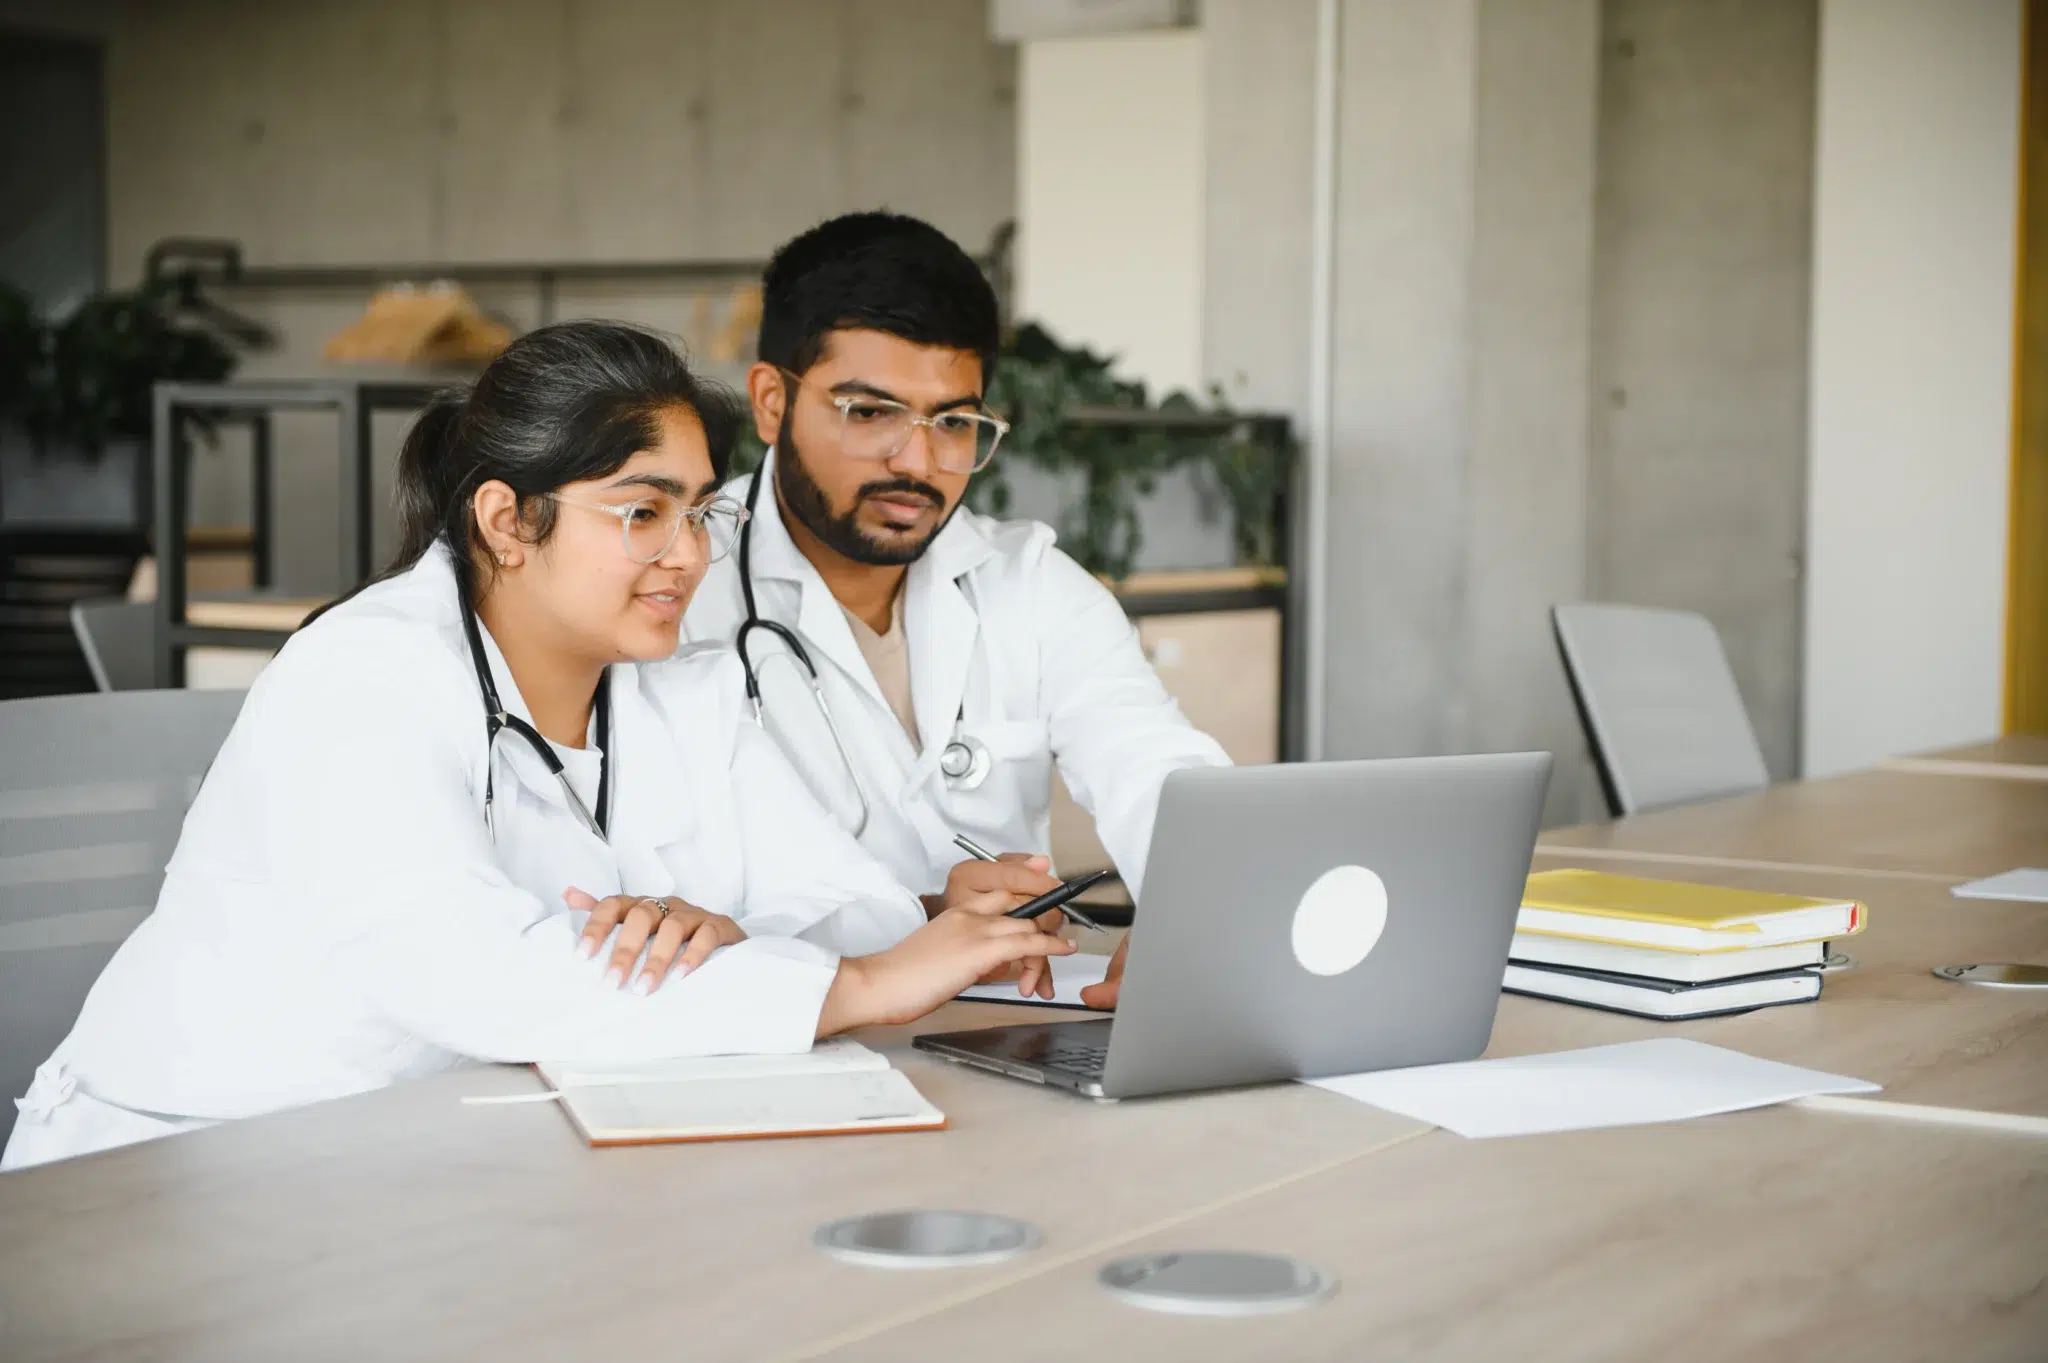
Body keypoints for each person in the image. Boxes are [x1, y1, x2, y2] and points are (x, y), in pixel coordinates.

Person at [2, 321, 1070, 1172]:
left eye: (700, 514)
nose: (687, 557)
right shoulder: (360, 675)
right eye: (641, 512)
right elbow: (478, 976)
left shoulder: (675, 687)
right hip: (190, 1168)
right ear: (505, 521)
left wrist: (727, 930)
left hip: (456, 1156)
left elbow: (854, 898)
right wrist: (855, 986)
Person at [683, 212, 1230, 1009]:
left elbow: (1155, 769)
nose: (919, 460)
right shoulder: (679, 589)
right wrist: (922, 917)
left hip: (1003, 1029)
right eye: (869, 412)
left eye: (955, 422)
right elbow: (662, 893)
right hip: (788, 1039)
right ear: (771, 402)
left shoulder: (1031, 584)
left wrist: (1197, 919)